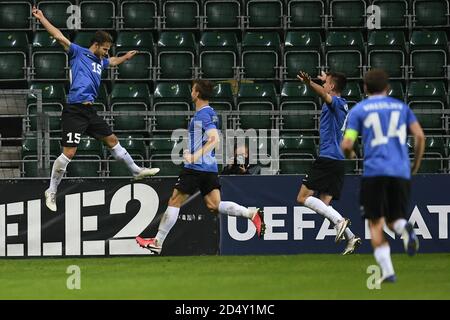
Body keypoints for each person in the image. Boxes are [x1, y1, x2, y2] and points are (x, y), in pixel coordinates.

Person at [32, 7, 160, 212]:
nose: (107, 53)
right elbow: (58, 36)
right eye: (105, 49)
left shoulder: (101, 61)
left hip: (90, 112)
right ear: (96, 45)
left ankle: (136, 170)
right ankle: (51, 190)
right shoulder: (78, 53)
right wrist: (42, 18)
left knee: (112, 141)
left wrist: (125, 57)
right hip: (74, 110)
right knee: (69, 154)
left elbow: (113, 61)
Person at [136, 80, 265, 254]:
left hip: (195, 167)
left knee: (175, 201)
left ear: (197, 94)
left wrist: (195, 156)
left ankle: (157, 242)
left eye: (192, 90)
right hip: (209, 168)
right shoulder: (210, 113)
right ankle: (251, 214)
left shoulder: (204, 114)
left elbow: (215, 139)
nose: (191, 93)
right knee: (214, 204)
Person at [342, 69, 425, 283]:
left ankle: (387, 271)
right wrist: (414, 164)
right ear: (387, 88)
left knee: (375, 223)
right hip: (400, 172)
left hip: (375, 173)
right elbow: (419, 136)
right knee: (394, 218)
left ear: (365, 88)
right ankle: (404, 228)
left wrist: (350, 154)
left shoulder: (359, 110)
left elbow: (347, 142)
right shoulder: (401, 107)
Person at [296, 70, 361, 255]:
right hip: (337, 161)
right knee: (324, 205)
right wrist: (325, 80)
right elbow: (327, 91)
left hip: (328, 158)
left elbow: (325, 94)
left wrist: (310, 83)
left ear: (332, 87)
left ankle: (341, 222)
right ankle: (351, 237)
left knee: (302, 197)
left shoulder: (337, 102)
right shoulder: (343, 104)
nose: (323, 84)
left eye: (327, 83)